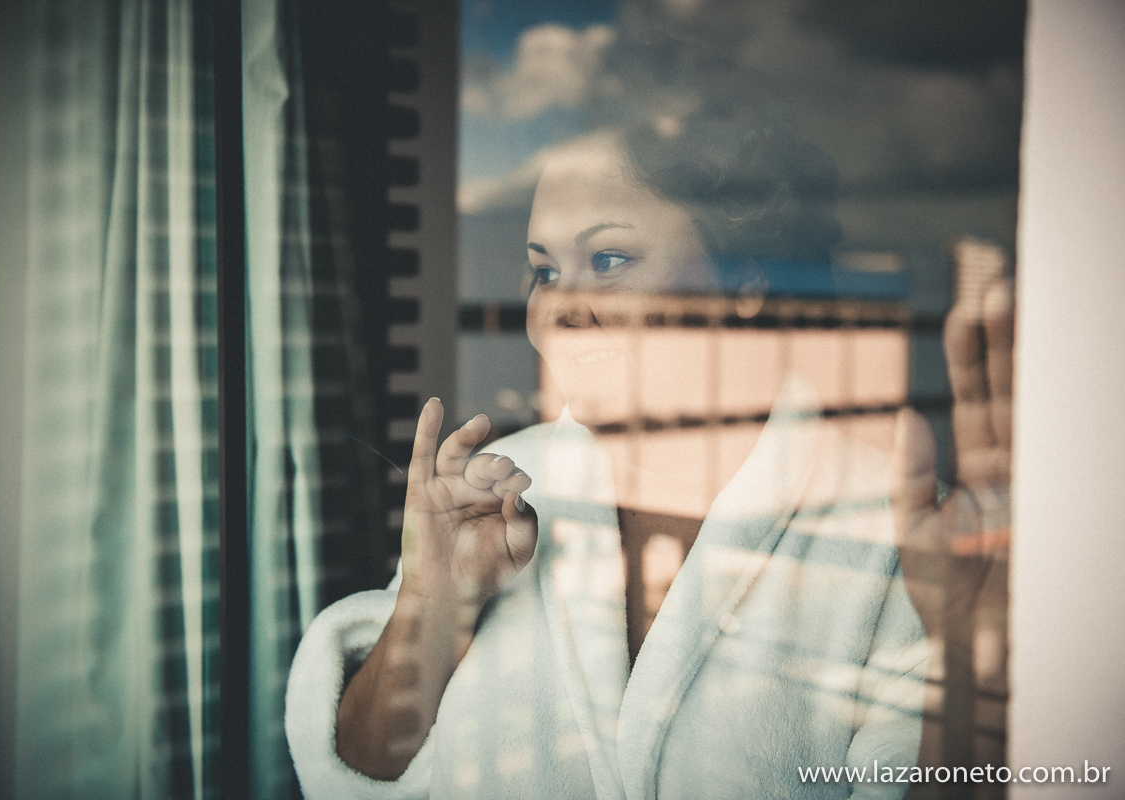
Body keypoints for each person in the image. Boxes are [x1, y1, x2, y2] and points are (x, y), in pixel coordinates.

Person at [285, 48, 1012, 800]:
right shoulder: (489, 495)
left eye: (608, 258)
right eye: (544, 270)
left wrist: (968, 646)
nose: (561, 307)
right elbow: (356, 781)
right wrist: (431, 602)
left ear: (745, 279)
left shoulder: (886, 528)